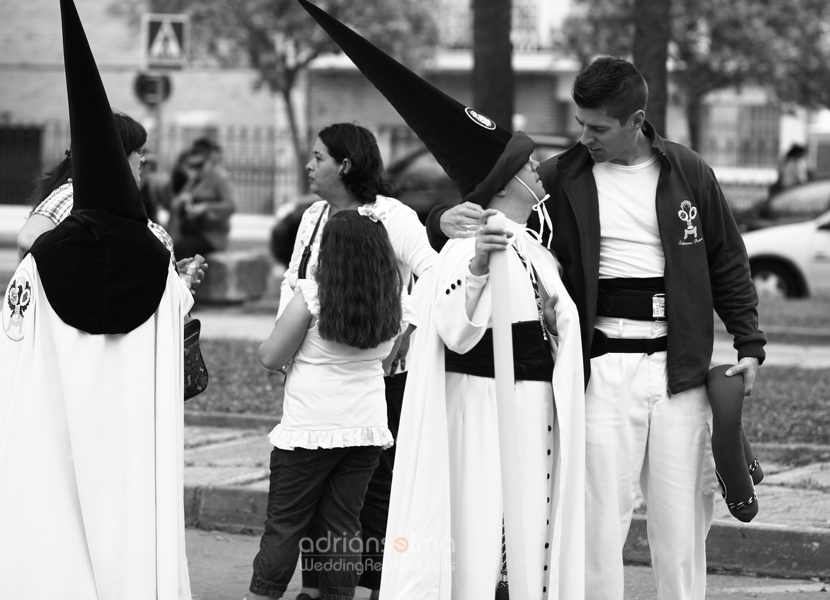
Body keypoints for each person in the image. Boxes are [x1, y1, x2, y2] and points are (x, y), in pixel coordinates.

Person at [427, 56, 767, 599]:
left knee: (682, 529)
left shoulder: (689, 172)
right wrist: (440, 218)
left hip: (680, 375)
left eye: (598, 127)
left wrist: (748, 342)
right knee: (599, 526)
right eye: (581, 123)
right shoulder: (565, 175)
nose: (584, 136)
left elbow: (727, 260)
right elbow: (491, 201)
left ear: (637, 121)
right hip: (602, 373)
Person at [298, 3, 585, 597]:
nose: (540, 171)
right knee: (482, 536)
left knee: (521, 537)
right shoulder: (465, 248)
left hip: (532, 414)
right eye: (529, 164)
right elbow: (453, 327)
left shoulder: (532, 244)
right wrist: (478, 267)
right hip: (480, 417)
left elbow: (552, 315)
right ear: (506, 181)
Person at [0, 0, 194, 597]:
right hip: (116, 393)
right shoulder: (124, 235)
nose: (145, 164)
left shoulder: (78, 247)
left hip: (63, 370)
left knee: (58, 480)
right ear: (120, 158)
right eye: (139, 155)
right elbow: (32, 235)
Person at [279, 122, 437, 600]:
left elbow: (430, 272)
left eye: (319, 158)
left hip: (379, 376)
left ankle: (368, 587)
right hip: (315, 378)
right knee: (316, 488)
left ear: (345, 165)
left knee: (371, 487)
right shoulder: (313, 217)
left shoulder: (393, 216)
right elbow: (295, 278)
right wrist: (288, 340)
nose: (309, 166)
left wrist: (405, 328)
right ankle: (318, 587)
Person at [248, 210, 403, 600]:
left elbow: (270, 356)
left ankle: (261, 595)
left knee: (285, 525)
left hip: (309, 430)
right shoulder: (392, 302)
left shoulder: (314, 296)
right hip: (366, 427)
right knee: (344, 528)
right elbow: (384, 362)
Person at [16, 112, 176, 261]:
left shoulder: (109, 199)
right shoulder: (76, 194)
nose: (142, 159)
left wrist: (168, 276)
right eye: (139, 151)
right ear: (118, 155)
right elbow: (29, 239)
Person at [169, 138, 235, 260]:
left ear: (210, 162)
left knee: (181, 249)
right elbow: (174, 204)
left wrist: (205, 207)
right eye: (192, 166)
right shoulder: (194, 180)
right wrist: (182, 201)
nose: (196, 170)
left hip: (211, 236)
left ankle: (182, 279)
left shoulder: (219, 179)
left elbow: (230, 206)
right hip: (190, 233)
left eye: (199, 165)